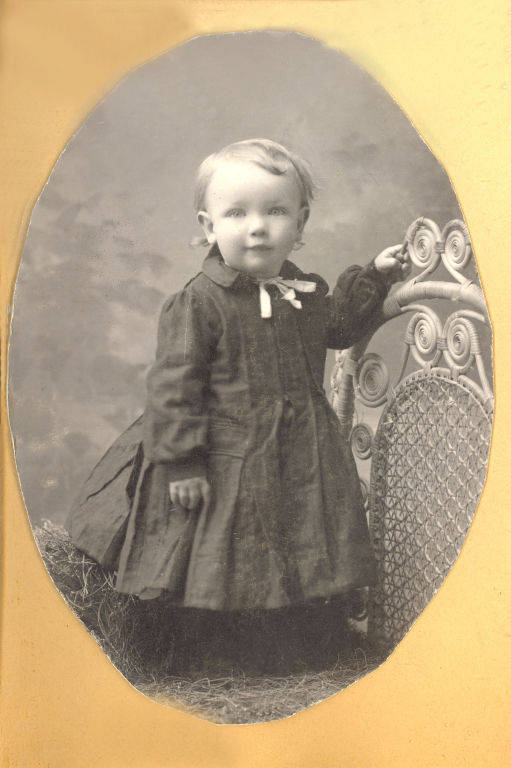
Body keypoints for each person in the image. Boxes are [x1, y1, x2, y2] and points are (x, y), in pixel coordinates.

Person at [67, 138, 410, 672]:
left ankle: (295, 647)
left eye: (275, 211)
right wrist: (181, 461)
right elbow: (173, 386)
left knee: (298, 541)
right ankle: (214, 655)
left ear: (300, 223)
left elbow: (339, 328)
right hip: (224, 454)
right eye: (237, 213)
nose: (257, 227)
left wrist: (376, 276)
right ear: (208, 226)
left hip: (299, 450)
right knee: (223, 551)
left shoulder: (304, 290)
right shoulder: (199, 302)